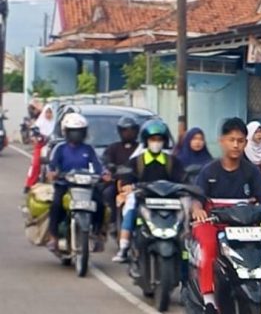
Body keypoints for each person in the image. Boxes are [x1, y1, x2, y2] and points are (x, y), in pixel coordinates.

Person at [192, 118, 261, 314]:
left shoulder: (251, 171)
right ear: (222, 141)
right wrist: (198, 210)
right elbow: (197, 199)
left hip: (246, 225)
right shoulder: (209, 171)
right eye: (231, 140)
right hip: (213, 224)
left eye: (240, 141)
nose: (236, 145)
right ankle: (209, 306)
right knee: (208, 249)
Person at [113, 120, 184, 271]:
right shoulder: (137, 161)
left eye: (159, 139)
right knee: (130, 211)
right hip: (142, 199)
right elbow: (126, 178)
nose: (156, 143)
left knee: (184, 217)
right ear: (146, 141)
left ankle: (185, 248)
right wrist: (127, 185)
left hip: (168, 201)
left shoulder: (172, 161)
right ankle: (124, 247)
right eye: (153, 139)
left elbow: (182, 179)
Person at [46, 113, 107, 252]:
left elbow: (98, 165)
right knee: (56, 205)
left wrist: (104, 174)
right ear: (66, 132)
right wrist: (53, 173)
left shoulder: (88, 149)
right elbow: (52, 166)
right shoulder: (60, 148)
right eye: (73, 131)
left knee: (100, 203)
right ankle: (53, 238)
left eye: (79, 131)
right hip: (64, 184)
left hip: (85, 184)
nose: (76, 134)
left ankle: (97, 233)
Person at [101, 116, 140, 226]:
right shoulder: (113, 148)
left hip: (135, 184)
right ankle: (112, 222)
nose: (128, 133)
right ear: (120, 131)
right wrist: (110, 168)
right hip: (117, 182)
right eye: (125, 130)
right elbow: (105, 161)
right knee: (108, 194)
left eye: (131, 130)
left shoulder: (141, 149)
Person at [24, 104, 55, 192]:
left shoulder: (55, 124)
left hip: (52, 147)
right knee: (35, 164)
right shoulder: (39, 123)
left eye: (50, 113)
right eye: (47, 112)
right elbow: (33, 134)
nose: (48, 114)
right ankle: (29, 184)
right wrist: (35, 138)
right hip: (40, 146)